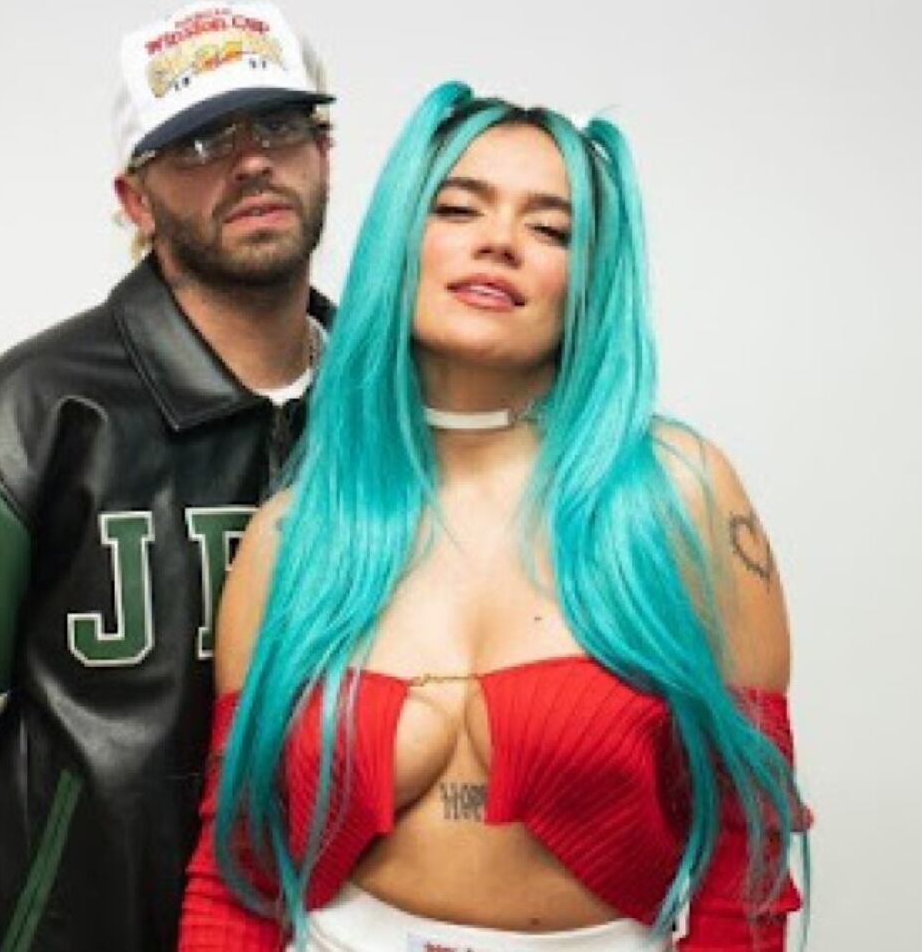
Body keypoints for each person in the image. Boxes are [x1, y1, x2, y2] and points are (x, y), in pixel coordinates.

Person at [179, 82, 808, 952]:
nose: (500, 242)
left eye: (551, 229)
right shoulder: (296, 535)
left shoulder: (676, 493)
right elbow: (235, 877)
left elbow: (749, 858)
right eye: (458, 209)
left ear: (590, 279)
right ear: (403, 241)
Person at [0, 0, 336, 950]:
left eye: (281, 125)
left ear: (324, 151)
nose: (253, 161)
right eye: (201, 141)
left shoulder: (389, 415)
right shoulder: (28, 422)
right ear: (136, 200)